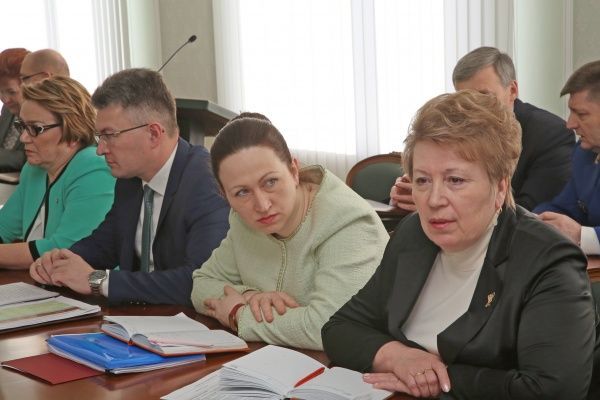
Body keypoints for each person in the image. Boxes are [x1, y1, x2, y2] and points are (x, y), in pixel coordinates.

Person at [322, 90, 596, 399]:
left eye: (455, 180)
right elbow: (340, 328)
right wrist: (398, 357)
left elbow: (553, 390)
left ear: (500, 188)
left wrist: (439, 378)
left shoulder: (548, 260)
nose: (434, 200)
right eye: (423, 180)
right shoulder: (413, 233)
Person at [30, 68, 230, 306]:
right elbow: (105, 244)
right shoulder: (129, 180)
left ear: (153, 134)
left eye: (109, 135)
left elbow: (199, 281)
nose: (100, 149)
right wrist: (59, 262)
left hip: (190, 322)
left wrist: (98, 281)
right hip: (138, 318)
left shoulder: (206, 181)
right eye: (99, 137)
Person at [191, 115, 389, 351]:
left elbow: (329, 327)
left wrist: (239, 314)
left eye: (270, 182)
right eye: (242, 192)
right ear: (225, 196)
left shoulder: (349, 222)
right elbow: (201, 284)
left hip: (359, 365)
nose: (262, 205)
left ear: (294, 170)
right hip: (276, 359)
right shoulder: (242, 221)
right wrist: (251, 296)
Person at [390, 46, 574, 212]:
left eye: (484, 96)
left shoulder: (550, 133)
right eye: (465, 98)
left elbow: (529, 211)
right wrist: (407, 193)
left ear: (512, 90)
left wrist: (434, 203)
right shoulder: (454, 128)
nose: (473, 107)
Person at [0, 76, 114, 270]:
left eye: (35, 128)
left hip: (94, 286)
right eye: (22, 126)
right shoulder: (33, 169)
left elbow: (64, 249)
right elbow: (4, 227)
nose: (24, 137)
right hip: (44, 282)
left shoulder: (94, 168)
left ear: (73, 129)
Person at [534, 60, 600, 256]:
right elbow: (565, 207)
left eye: (581, 114)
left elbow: (576, 230)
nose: (570, 124)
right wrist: (533, 220)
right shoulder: (583, 153)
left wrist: (581, 235)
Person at [0, 48, 29, 172]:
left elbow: (27, 158)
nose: (5, 100)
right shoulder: (8, 109)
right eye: (0, 92)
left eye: (11, 92)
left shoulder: (48, 113)